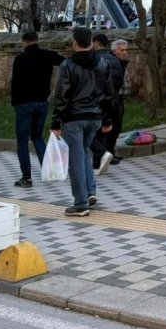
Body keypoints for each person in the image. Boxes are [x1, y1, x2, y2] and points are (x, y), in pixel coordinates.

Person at [51, 26, 114, 216]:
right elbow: (109, 93)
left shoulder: (68, 65)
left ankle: (80, 204)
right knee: (85, 152)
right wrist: (107, 118)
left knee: (76, 159)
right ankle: (89, 192)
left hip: (74, 118)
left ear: (75, 43)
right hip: (95, 116)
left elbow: (62, 95)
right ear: (91, 43)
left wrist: (56, 121)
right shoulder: (102, 63)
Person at [9, 31, 64, 188]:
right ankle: (49, 171)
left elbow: (16, 82)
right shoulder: (48, 55)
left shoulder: (20, 59)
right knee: (38, 137)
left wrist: (14, 102)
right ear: (36, 41)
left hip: (23, 103)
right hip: (42, 102)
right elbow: (66, 63)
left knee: (22, 141)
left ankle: (26, 178)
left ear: (24, 43)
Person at [90, 33, 126, 176]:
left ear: (95, 44)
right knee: (108, 130)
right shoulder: (116, 61)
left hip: (95, 102)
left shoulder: (94, 59)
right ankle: (102, 159)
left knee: (95, 132)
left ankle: (99, 158)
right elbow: (118, 83)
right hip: (113, 100)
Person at [108, 39, 131, 165]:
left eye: (125, 50)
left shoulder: (121, 63)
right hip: (114, 99)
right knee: (112, 128)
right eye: (121, 50)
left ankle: (111, 152)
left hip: (120, 100)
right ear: (114, 51)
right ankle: (108, 153)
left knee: (117, 128)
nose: (125, 52)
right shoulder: (112, 63)